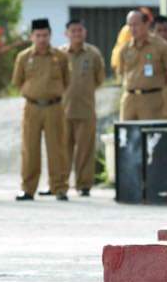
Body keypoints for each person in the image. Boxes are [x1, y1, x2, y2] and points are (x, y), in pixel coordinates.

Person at [11, 19, 70, 201]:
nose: (42, 39)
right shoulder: (23, 57)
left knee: (57, 149)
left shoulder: (60, 57)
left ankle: (59, 188)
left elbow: (66, 81)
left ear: (50, 35)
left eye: (45, 35)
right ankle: (28, 189)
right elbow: (17, 81)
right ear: (32, 37)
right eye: (38, 35)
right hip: (32, 107)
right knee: (30, 149)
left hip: (54, 107)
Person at [60, 20, 105, 197]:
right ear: (67, 34)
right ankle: (60, 184)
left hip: (86, 109)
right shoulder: (60, 54)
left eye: (79, 30)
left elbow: (99, 79)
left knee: (85, 149)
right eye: (73, 31)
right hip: (63, 110)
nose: (76, 34)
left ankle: (84, 184)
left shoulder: (93, 54)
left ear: (84, 32)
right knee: (62, 150)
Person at [117, 10, 167, 121]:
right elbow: (121, 72)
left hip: (151, 98)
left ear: (146, 24)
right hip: (129, 98)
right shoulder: (125, 49)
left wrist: (154, 84)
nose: (132, 29)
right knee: (126, 134)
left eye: (136, 24)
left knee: (150, 134)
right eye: (130, 25)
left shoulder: (161, 46)